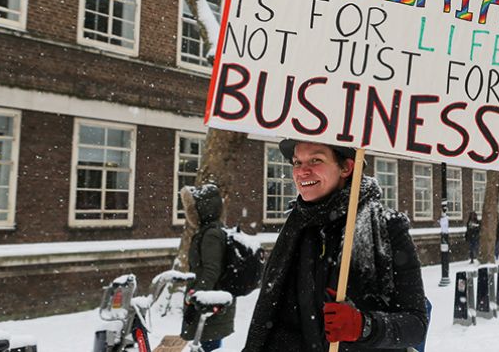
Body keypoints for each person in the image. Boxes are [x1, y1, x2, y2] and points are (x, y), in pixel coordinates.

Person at [243, 140, 427, 351]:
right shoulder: (296, 228)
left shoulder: (387, 227)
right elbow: (281, 322)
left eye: (315, 160)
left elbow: (416, 324)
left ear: (346, 168)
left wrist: (363, 326)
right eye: (296, 162)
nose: (302, 171)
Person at [180, 184, 235, 352]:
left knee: (208, 347)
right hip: (210, 304)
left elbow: (211, 271)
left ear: (200, 210)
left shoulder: (211, 234)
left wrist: (196, 301)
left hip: (210, 306)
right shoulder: (212, 231)